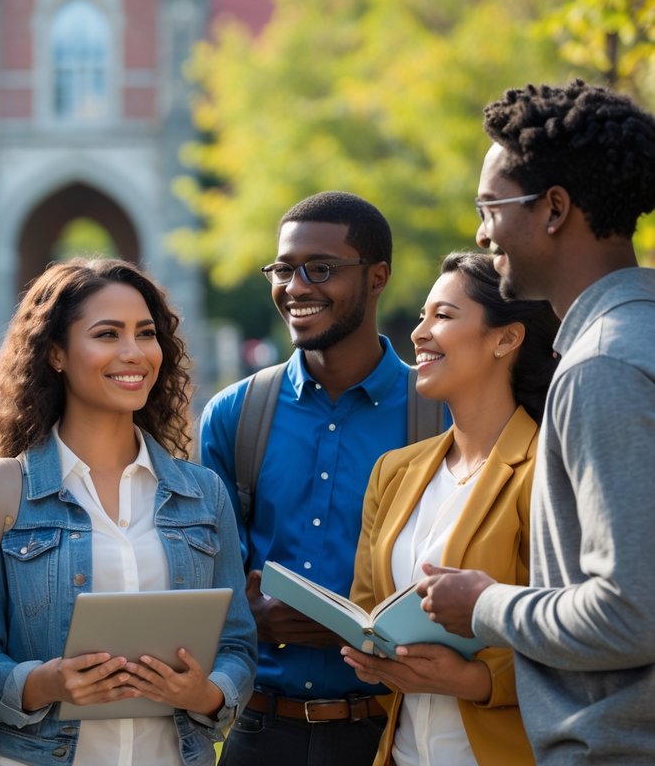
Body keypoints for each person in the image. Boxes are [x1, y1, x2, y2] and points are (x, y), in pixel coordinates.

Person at [418, 80, 655, 762]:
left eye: (489, 207)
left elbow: (629, 612)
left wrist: (485, 605)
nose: (479, 232)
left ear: (553, 209)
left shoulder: (601, 367)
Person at [0, 257, 256, 766]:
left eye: (146, 333)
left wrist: (206, 694)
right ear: (56, 354)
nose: (133, 353)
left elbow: (237, 645)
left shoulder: (204, 493)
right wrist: (43, 682)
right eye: (107, 334)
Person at [201, 191, 430, 766]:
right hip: (257, 732)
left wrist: (362, 627)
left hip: (390, 733)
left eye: (321, 269)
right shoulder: (235, 413)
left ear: (377, 277)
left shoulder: (437, 414)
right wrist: (249, 618)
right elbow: (200, 570)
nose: (296, 286)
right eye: (283, 269)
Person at [341, 252, 558, 765]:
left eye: (442, 316)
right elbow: (367, 606)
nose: (418, 333)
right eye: (421, 316)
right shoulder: (393, 472)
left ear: (506, 338)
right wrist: (372, 656)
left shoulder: (550, 470)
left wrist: (477, 680)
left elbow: (579, 629)